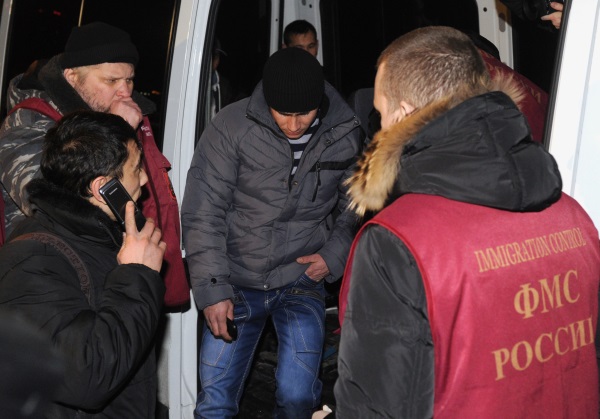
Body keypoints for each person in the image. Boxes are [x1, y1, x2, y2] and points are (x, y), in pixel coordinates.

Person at [330, 26, 600, 418]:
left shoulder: (399, 240)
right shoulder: (575, 217)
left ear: (402, 113)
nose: (380, 126)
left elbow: (378, 405)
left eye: (382, 112)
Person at [181, 47, 361, 418]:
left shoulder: (345, 133)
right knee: (215, 402)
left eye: (304, 113)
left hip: (300, 280)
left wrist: (333, 256)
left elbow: (356, 205)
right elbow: (203, 212)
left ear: (320, 103)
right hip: (235, 280)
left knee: (298, 398)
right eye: (283, 113)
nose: (294, 125)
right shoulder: (231, 127)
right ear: (267, 102)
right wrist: (213, 290)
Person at [0, 21, 188, 306]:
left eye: (129, 80)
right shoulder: (27, 122)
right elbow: (52, 203)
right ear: (72, 77)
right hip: (48, 282)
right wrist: (114, 133)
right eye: (111, 81)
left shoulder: (117, 113)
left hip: (107, 273)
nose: (125, 92)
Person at [0, 111, 167, 417]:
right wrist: (137, 274)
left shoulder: (104, 235)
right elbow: (88, 377)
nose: (144, 178)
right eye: (136, 168)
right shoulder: (31, 261)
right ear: (103, 187)